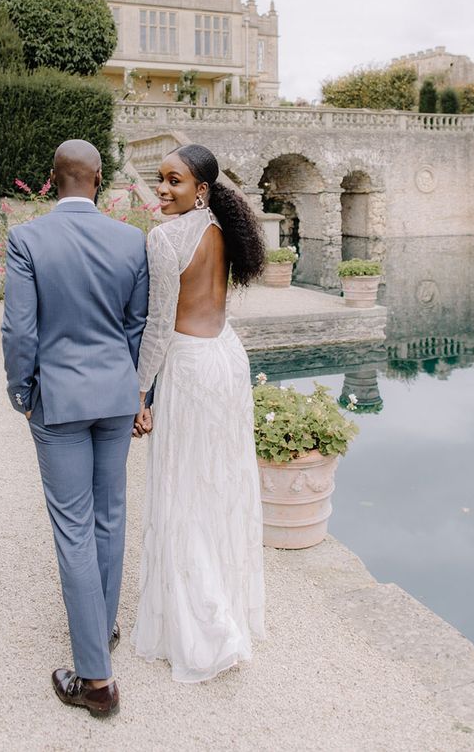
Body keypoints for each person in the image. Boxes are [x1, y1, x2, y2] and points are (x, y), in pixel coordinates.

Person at [1, 139, 149, 719]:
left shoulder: (28, 238)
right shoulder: (130, 239)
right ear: (99, 178)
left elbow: (19, 332)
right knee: (109, 517)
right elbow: (138, 327)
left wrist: (24, 394)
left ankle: (95, 682)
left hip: (58, 400)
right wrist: (141, 395)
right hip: (115, 396)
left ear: (53, 178)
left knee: (73, 528)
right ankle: (102, 630)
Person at [132, 142, 267, 682]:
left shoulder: (165, 238)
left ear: (201, 189)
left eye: (174, 181)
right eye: (161, 179)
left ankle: (208, 629)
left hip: (189, 367)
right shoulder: (224, 229)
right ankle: (226, 605)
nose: (163, 189)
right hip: (226, 359)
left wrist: (140, 392)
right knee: (221, 484)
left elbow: (160, 323)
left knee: (184, 488)